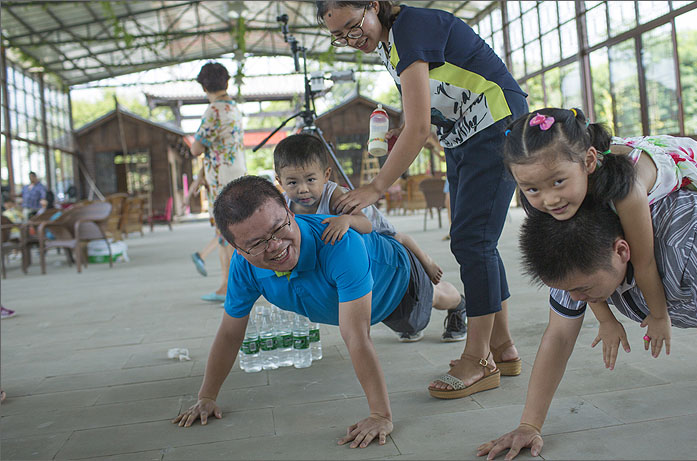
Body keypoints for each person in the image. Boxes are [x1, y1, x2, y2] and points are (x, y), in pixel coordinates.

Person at [478, 191, 697, 460]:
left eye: (584, 290)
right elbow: (560, 335)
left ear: (622, 250)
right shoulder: (573, 247)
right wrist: (529, 425)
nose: (578, 299)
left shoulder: (691, 236)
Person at [317, 0, 528, 399]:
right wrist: (401, 129)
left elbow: (418, 128)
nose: (350, 39)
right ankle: (503, 348)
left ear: (374, 6)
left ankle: (478, 358)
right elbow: (420, 115)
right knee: (476, 239)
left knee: (472, 242)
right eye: (339, 36)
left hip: (493, 121)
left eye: (352, 25)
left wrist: (376, 187)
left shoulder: (411, 27)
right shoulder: (389, 42)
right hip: (463, 133)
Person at [172, 175, 469, 445]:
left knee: (434, 299)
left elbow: (356, 337)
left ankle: (460, 305)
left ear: (290, 213)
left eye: (279, 228)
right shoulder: (244, 268)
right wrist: (206, 397)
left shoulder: (340, 243)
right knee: (405, 326)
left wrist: (380, 415)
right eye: (258, 243)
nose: (275, 246)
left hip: (397, 281)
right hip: (358, 303)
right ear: (236, 249)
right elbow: (229, 333)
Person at [503, 107, 697, 363]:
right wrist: (607, 320)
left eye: (558, 182)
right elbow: (577, 269)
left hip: (680, 158)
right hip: (611, 164)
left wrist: (659, 316)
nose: (549, 199)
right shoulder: (546, 196)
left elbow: (644, 264)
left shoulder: (627, 192)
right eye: (532, 189)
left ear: (589, 162)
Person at [272, 134, 465, 342]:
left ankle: (454, 297)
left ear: (326, 175)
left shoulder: (335, 197)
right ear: (279, 181)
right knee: (405, 318)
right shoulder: (284, 206)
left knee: (422, 280)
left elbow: (365, 225)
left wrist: (346, 220)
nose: (302, 189)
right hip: (363, 261)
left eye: (310, 179)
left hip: (384, 239)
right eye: (292, 182)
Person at [190, 62, 246, 303]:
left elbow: (195, 148)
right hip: (237, 173)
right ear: (226, 82)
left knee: (225, 233)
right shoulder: (234, 108)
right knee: (233, 230)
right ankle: (229, 285)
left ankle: (230, 287)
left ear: (204, 86)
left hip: (221, 178)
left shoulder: (213, 111)